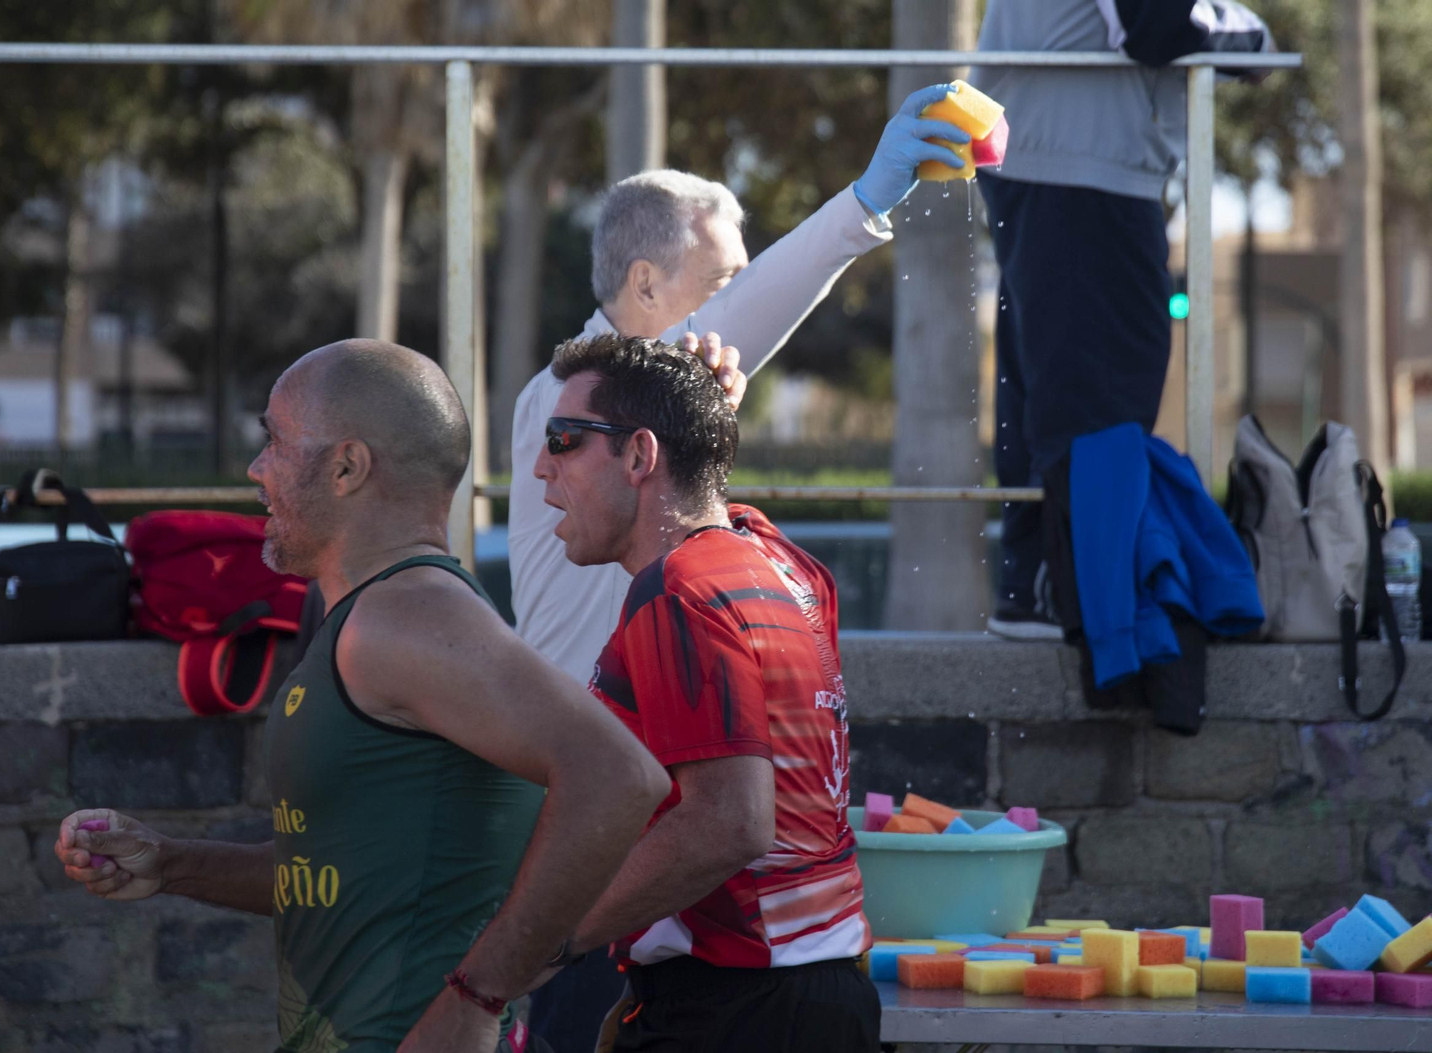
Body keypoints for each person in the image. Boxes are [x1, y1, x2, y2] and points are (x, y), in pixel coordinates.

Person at [55, 339, 671, 1053]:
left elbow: (620, 776)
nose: (257, 468)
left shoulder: (409, 614)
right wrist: (172, 862)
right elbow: (344, 874)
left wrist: (478, 995)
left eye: (275, 441)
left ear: (347, 467)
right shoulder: (376, 614)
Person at [510, 82, 975, 687]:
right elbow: (736, 321)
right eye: (724, 284)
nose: (735, 304)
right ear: (644, 284)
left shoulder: (625, 394)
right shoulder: (567, 396)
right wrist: (860, 206)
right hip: (590, 732)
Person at [529, 334, 877, 1052]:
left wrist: (547, 940)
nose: (540, 466)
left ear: (639, 456)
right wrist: (697, 413)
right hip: (822, 994)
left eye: (563, 438)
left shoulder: (677, 589)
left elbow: (729, 822)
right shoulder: (782, 561)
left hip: (734, 1008)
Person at [972, 0, 1276, 639]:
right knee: (1098, 394)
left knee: (1050, 383)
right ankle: (1076, 598)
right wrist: (1252, 37)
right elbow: (1156, 25)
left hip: (1040, 152)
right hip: (1084, 166)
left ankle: (1036, 587)